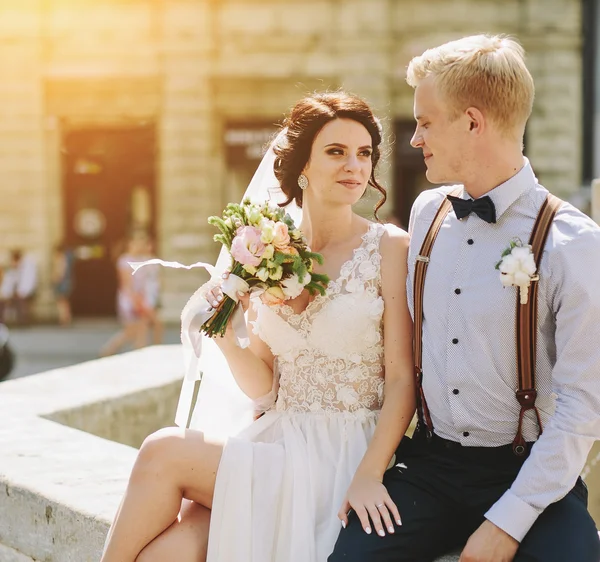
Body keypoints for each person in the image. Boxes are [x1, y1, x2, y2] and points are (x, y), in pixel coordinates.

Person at [100, 91, 415, 562]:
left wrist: (369, 473)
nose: (355, 166)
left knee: (163, 450)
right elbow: (266, 388)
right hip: (278, 441)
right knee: (170, 551)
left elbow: (401, 380)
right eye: (336, 152)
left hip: (346, 452)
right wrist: (227, 341)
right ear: (302, 166)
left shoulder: (390, 247)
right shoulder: (268, 250)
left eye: (364, 153)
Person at [329, 34, 600, 562]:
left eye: (426, 122)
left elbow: (583, 407)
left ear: (473, 122)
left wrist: (508, 522)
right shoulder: (427, 212)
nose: (414, 139)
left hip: (531, 474)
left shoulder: (575, 244)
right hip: (430, 467)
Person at [100, 232, 151, 356]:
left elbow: (144, 281)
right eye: (137, 243)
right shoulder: (124, 260)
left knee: (142, 326)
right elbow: (126, 283)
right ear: (130, 244)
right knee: (131, 330)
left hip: (139, 297)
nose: (140, 246)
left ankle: (140, 351)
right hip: (129, 298)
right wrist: (135, 300)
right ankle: (109, 350)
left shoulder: (142, 260)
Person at [0, 249, 38, 325]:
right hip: (18, 292)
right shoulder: (16, 269)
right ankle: (3, 322)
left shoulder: (27, 266)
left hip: (26, 292)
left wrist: (19, 293)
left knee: (19, 301)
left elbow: (27, 283)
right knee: (3, 302)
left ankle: (23, 321)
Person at [51, 243, 75, 326]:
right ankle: (67, 318)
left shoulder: (60, 259)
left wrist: (55, 279)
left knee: (61, 301)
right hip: (66, 282)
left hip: (61, 282)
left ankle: (63, 319)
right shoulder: (66, 258)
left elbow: (60, 272)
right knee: (65, 302)